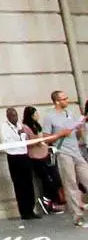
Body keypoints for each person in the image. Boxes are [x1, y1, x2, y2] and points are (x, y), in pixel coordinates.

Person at [42, 90, 88, 227]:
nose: (67, 101)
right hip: (63, 153)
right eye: (64, 99)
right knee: (71, 184)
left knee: (86, 177)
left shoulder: (70, 113)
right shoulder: (49, 117)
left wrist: (79, 130)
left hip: (76, 151)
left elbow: (77, 135)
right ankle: (77, 216)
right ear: (57, 101)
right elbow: (45, 138)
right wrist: (60, 134)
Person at [21, 105, 63, 213]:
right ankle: (47, 203)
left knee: (54, 179)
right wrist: (38, 141)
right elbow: (27, 143)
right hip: (35, 157)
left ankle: (53, 201)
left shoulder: (37, 125)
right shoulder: (25, 127)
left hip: (45, 154)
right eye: (35, 114)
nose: (37, 116)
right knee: (46, 180)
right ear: (31, 116)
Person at [1, 107, 39, 220]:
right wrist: (18, 135)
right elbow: (7, 141)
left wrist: (21, 134)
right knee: (19, 184)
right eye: (12, 116)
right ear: (8, 116)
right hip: (14, 156)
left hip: (24, 154)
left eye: (16, 115)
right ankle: (24, 211)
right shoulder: (5, 127)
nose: (15, 118)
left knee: (28, 183)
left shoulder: (19, 125)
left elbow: (25, 139)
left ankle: (31, 209)